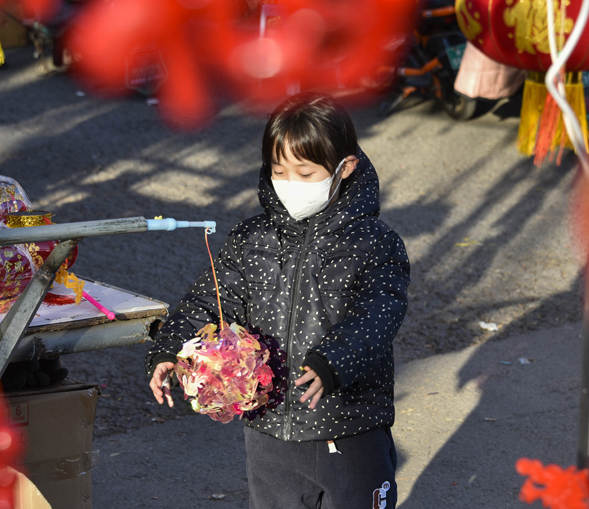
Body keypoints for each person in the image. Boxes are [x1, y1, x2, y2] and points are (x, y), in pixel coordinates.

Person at [146, 92, 410, 509]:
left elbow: (377, 314)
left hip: (347, 423)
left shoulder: (374, 243)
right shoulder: (252, 238)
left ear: (346, 167)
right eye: (279, 170)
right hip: (268, 428)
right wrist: (170, 348)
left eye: (306, 174)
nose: (290, 185)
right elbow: (212, 301)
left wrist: (332, 361)